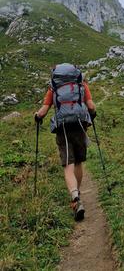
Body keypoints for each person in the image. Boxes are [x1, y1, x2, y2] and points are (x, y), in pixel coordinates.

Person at [34, 63, 96, 221]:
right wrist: (93, 115)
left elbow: (44, 110)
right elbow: (91, 106)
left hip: (63, 129)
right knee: (78, 163)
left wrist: (37, 116)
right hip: (80, 126)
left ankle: (75, 197)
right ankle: (78, 193)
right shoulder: (81, 85)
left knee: (68, 165)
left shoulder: (53, 88)